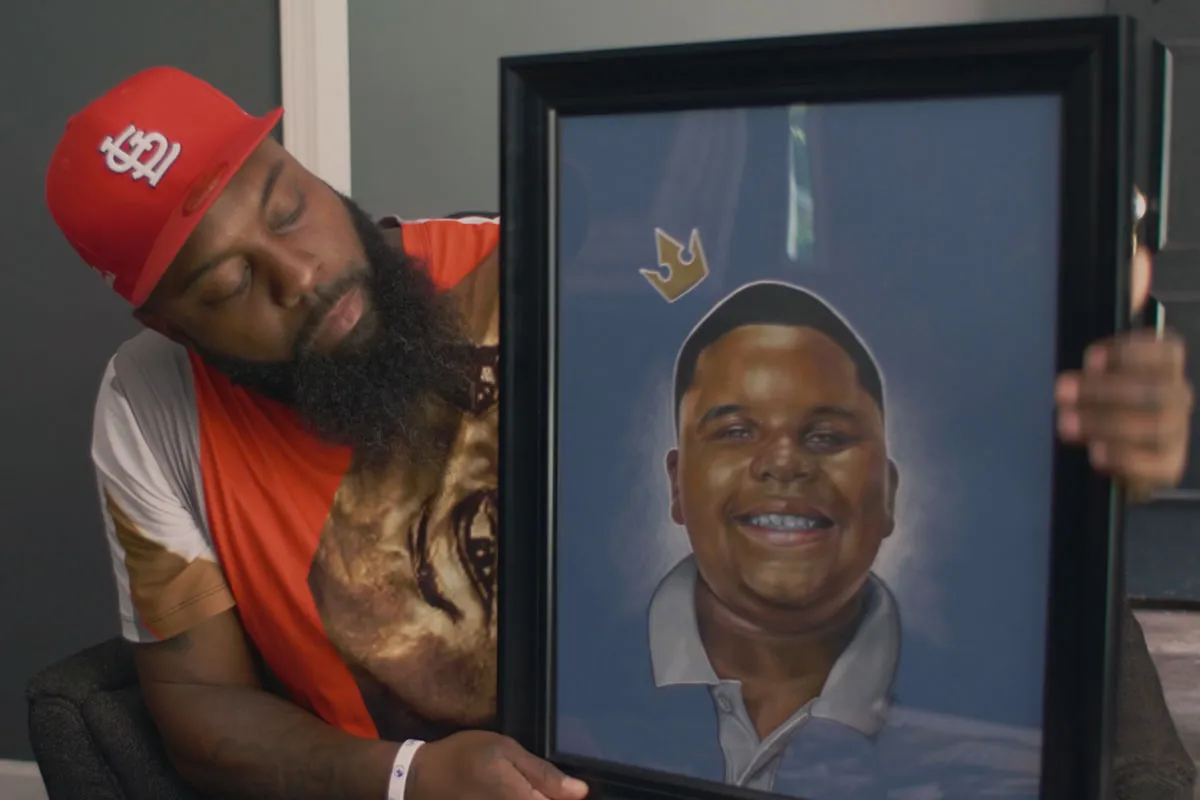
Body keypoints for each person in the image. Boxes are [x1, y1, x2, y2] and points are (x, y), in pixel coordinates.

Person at [43, 65, 1191, 800]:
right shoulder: (150, 408)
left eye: (284, 202)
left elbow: (838, 372)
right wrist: (406, 777)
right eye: (226, 278)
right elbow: (194, 707)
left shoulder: (531, 258)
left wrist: (1093, 405)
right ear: (165, 319)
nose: (298, 273)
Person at [575, 280, 1044, 798]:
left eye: (827, 437)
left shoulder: (1003, 709)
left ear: (888, 492)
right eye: (735, 431)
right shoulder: (569, 688)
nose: (782, 463)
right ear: (676, 484)